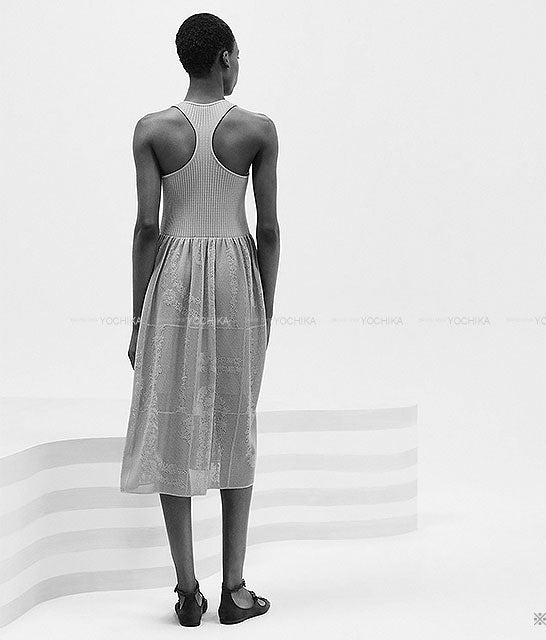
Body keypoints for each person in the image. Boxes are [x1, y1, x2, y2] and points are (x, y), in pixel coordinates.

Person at [119, 12, 280, 626]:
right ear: (225, 58)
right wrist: (266, 307)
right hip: (236, 278)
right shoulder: (257, 130)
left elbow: (146, 228)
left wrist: (138, 319)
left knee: (173, 423)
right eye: (238, 57)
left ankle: (188, 591)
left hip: (173, 280)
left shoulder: (152, 130)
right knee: (236, 422)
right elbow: (269, 230)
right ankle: (234, 590)